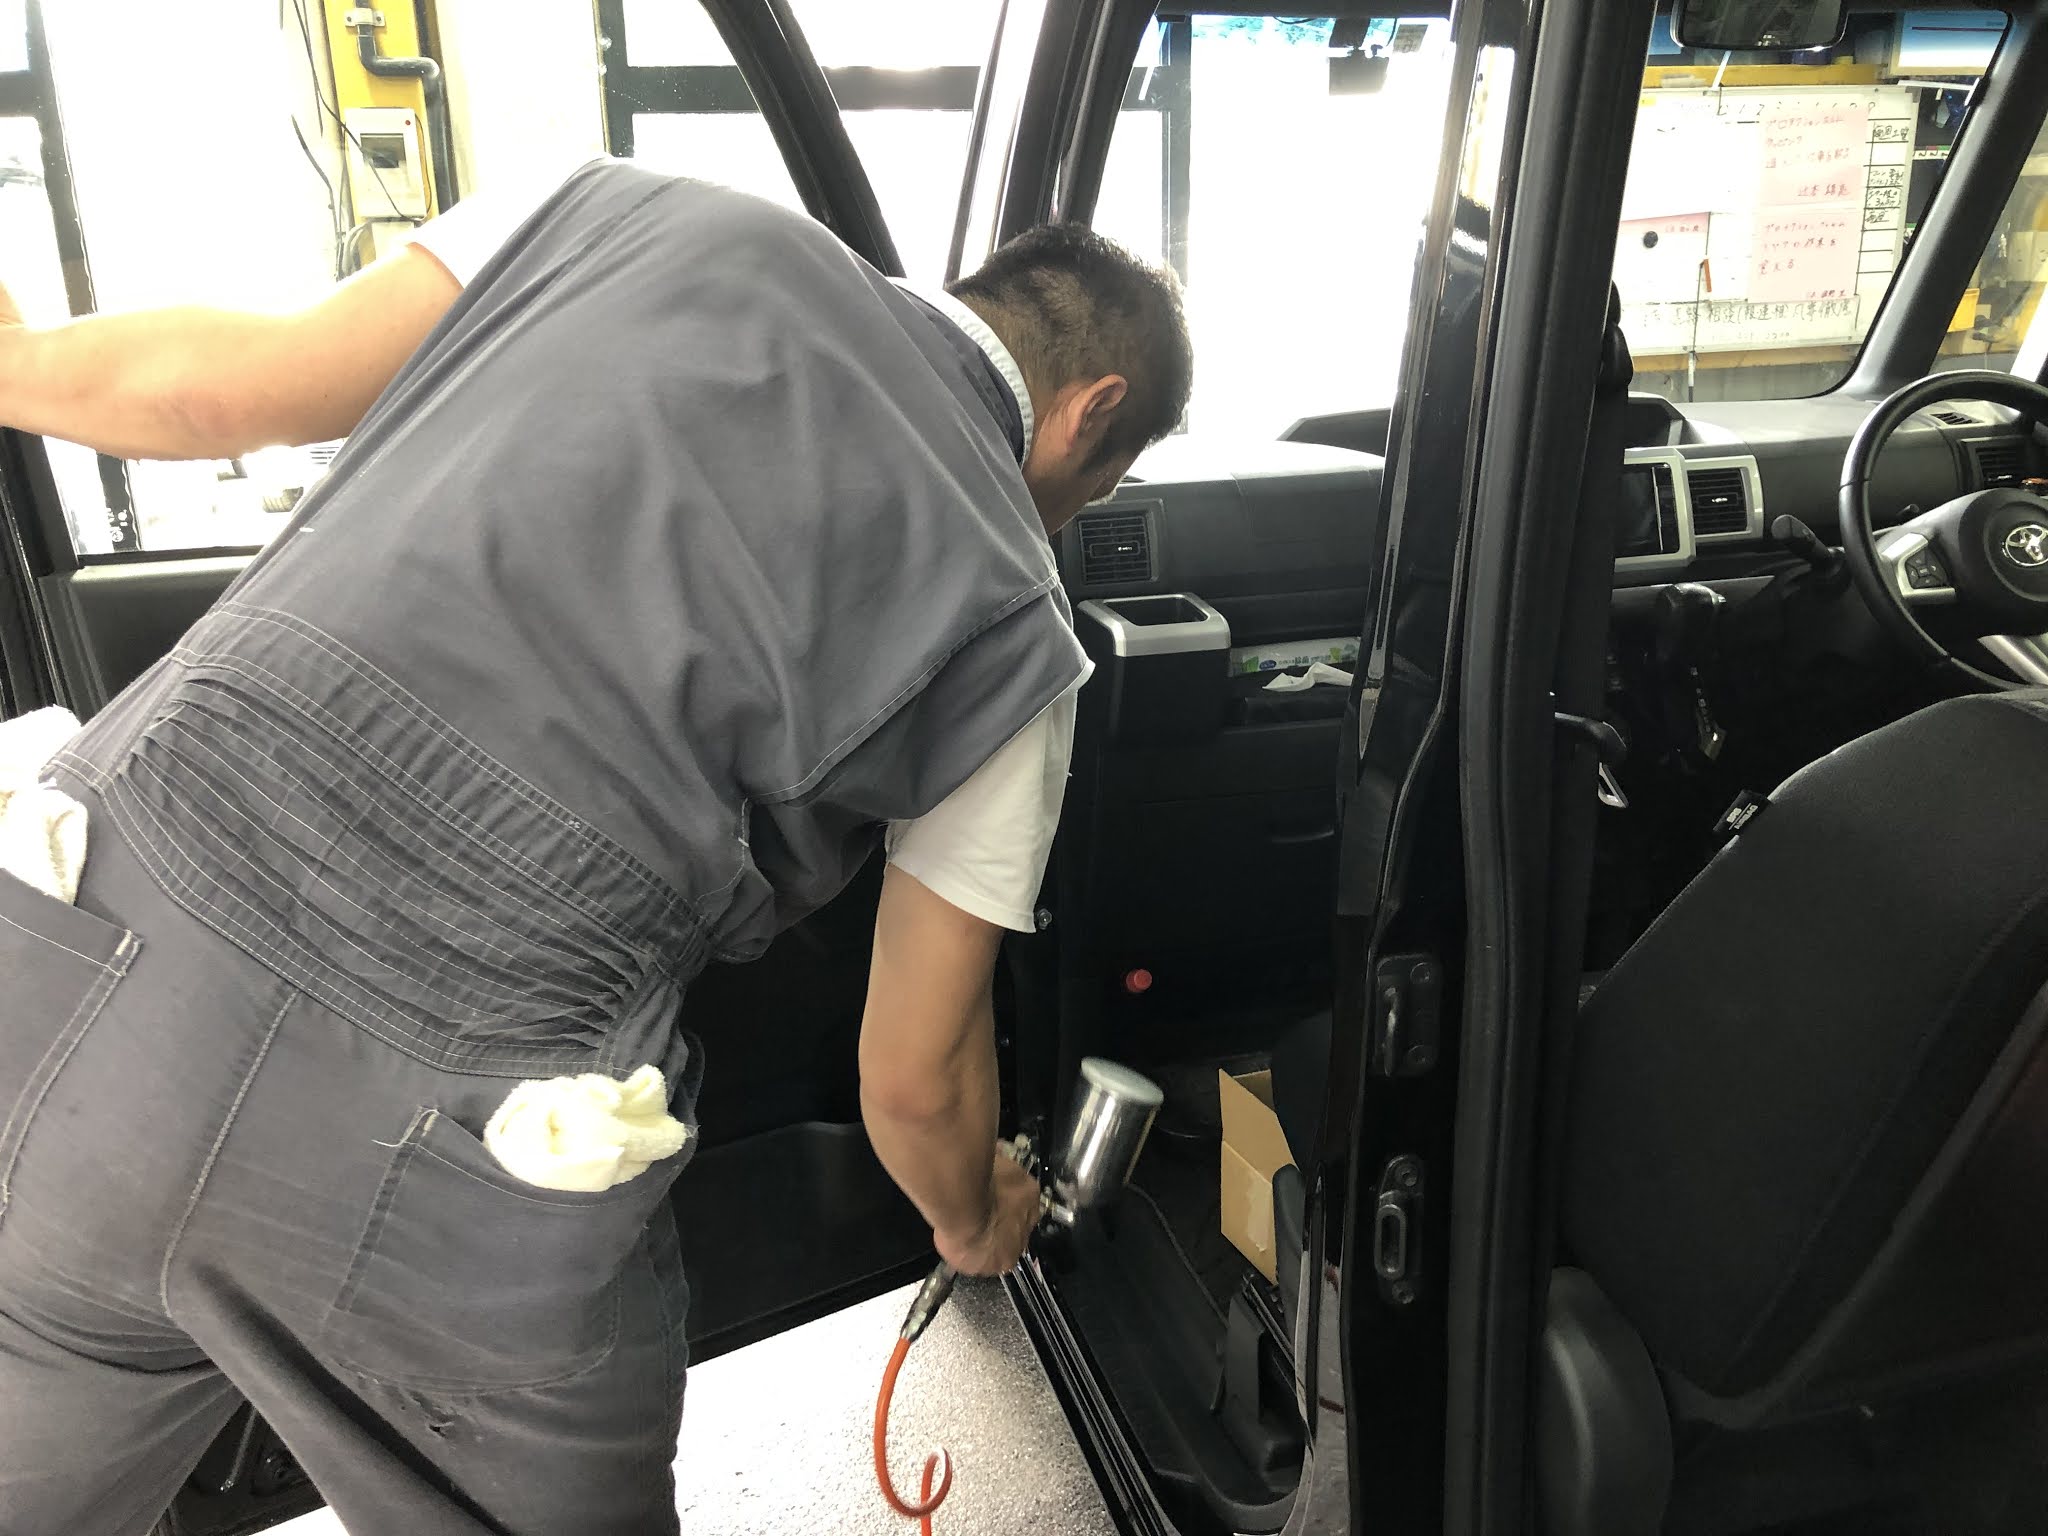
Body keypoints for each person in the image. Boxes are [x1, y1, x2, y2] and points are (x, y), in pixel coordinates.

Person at [0, 155, 1190, 1534]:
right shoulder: (1020, 634)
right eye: (1099, 484)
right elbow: (914, 1080)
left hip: (79, 930)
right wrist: (976, 1217)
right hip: (473, 1144)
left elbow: (219, 395)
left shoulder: (615, 208)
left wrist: (16, 363)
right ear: (1093, 412)